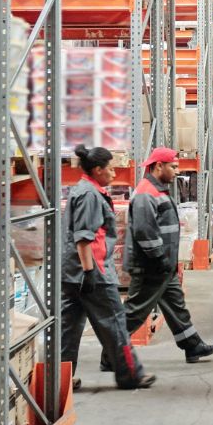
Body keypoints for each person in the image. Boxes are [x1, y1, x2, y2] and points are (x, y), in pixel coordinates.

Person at [107, 146, 213, 369]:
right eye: (173, 166)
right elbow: (144, 233)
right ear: (158, 166)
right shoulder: (145, 194)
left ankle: (192, 345)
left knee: (176, 306)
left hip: (163, 265)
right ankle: (110, 354)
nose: (177, 171)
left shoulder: (157, 190)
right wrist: (160, 259)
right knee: (135, 312)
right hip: (151, 266)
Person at [59, 146, 154, 391]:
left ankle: (59, 379)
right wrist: (90, 271)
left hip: (72, 273)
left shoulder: (83, 190)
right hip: (94, 273)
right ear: (98, 170)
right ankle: (130, 375)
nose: (114, 172)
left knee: (68, 328)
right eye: (110, 168)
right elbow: (84, 237)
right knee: (115, 323)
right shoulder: (90, 195)